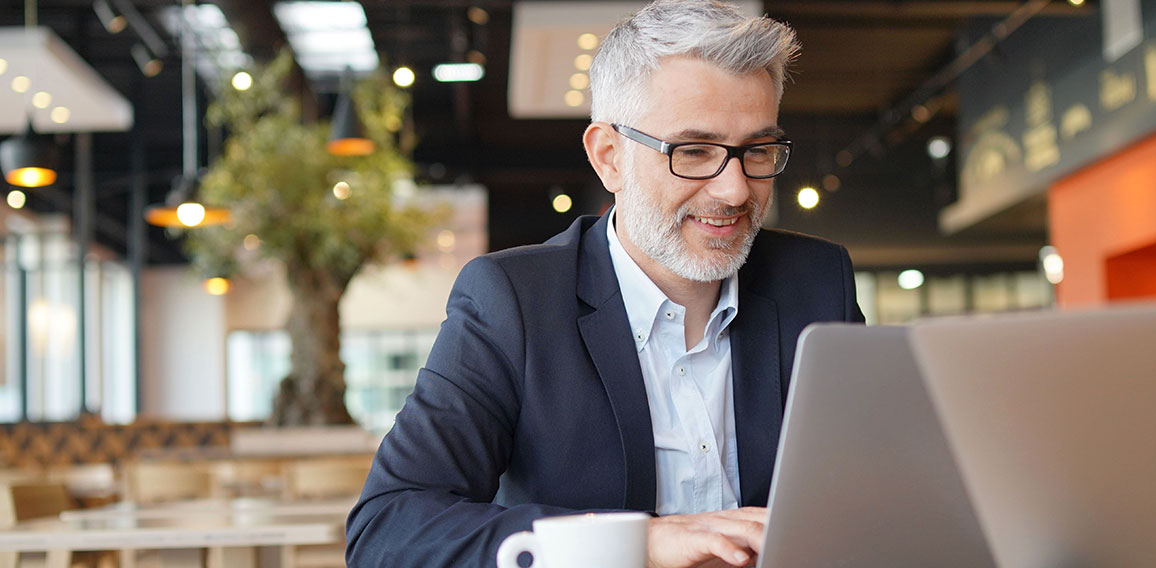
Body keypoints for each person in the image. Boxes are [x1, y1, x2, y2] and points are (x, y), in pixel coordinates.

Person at [346, 0, 864, 565]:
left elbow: (881, 481)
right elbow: (390, 527)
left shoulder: (816, 284)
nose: (735, 191)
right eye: (693, 152)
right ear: (609, 157)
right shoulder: (512, 302)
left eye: (757, 151)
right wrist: (636, 543)